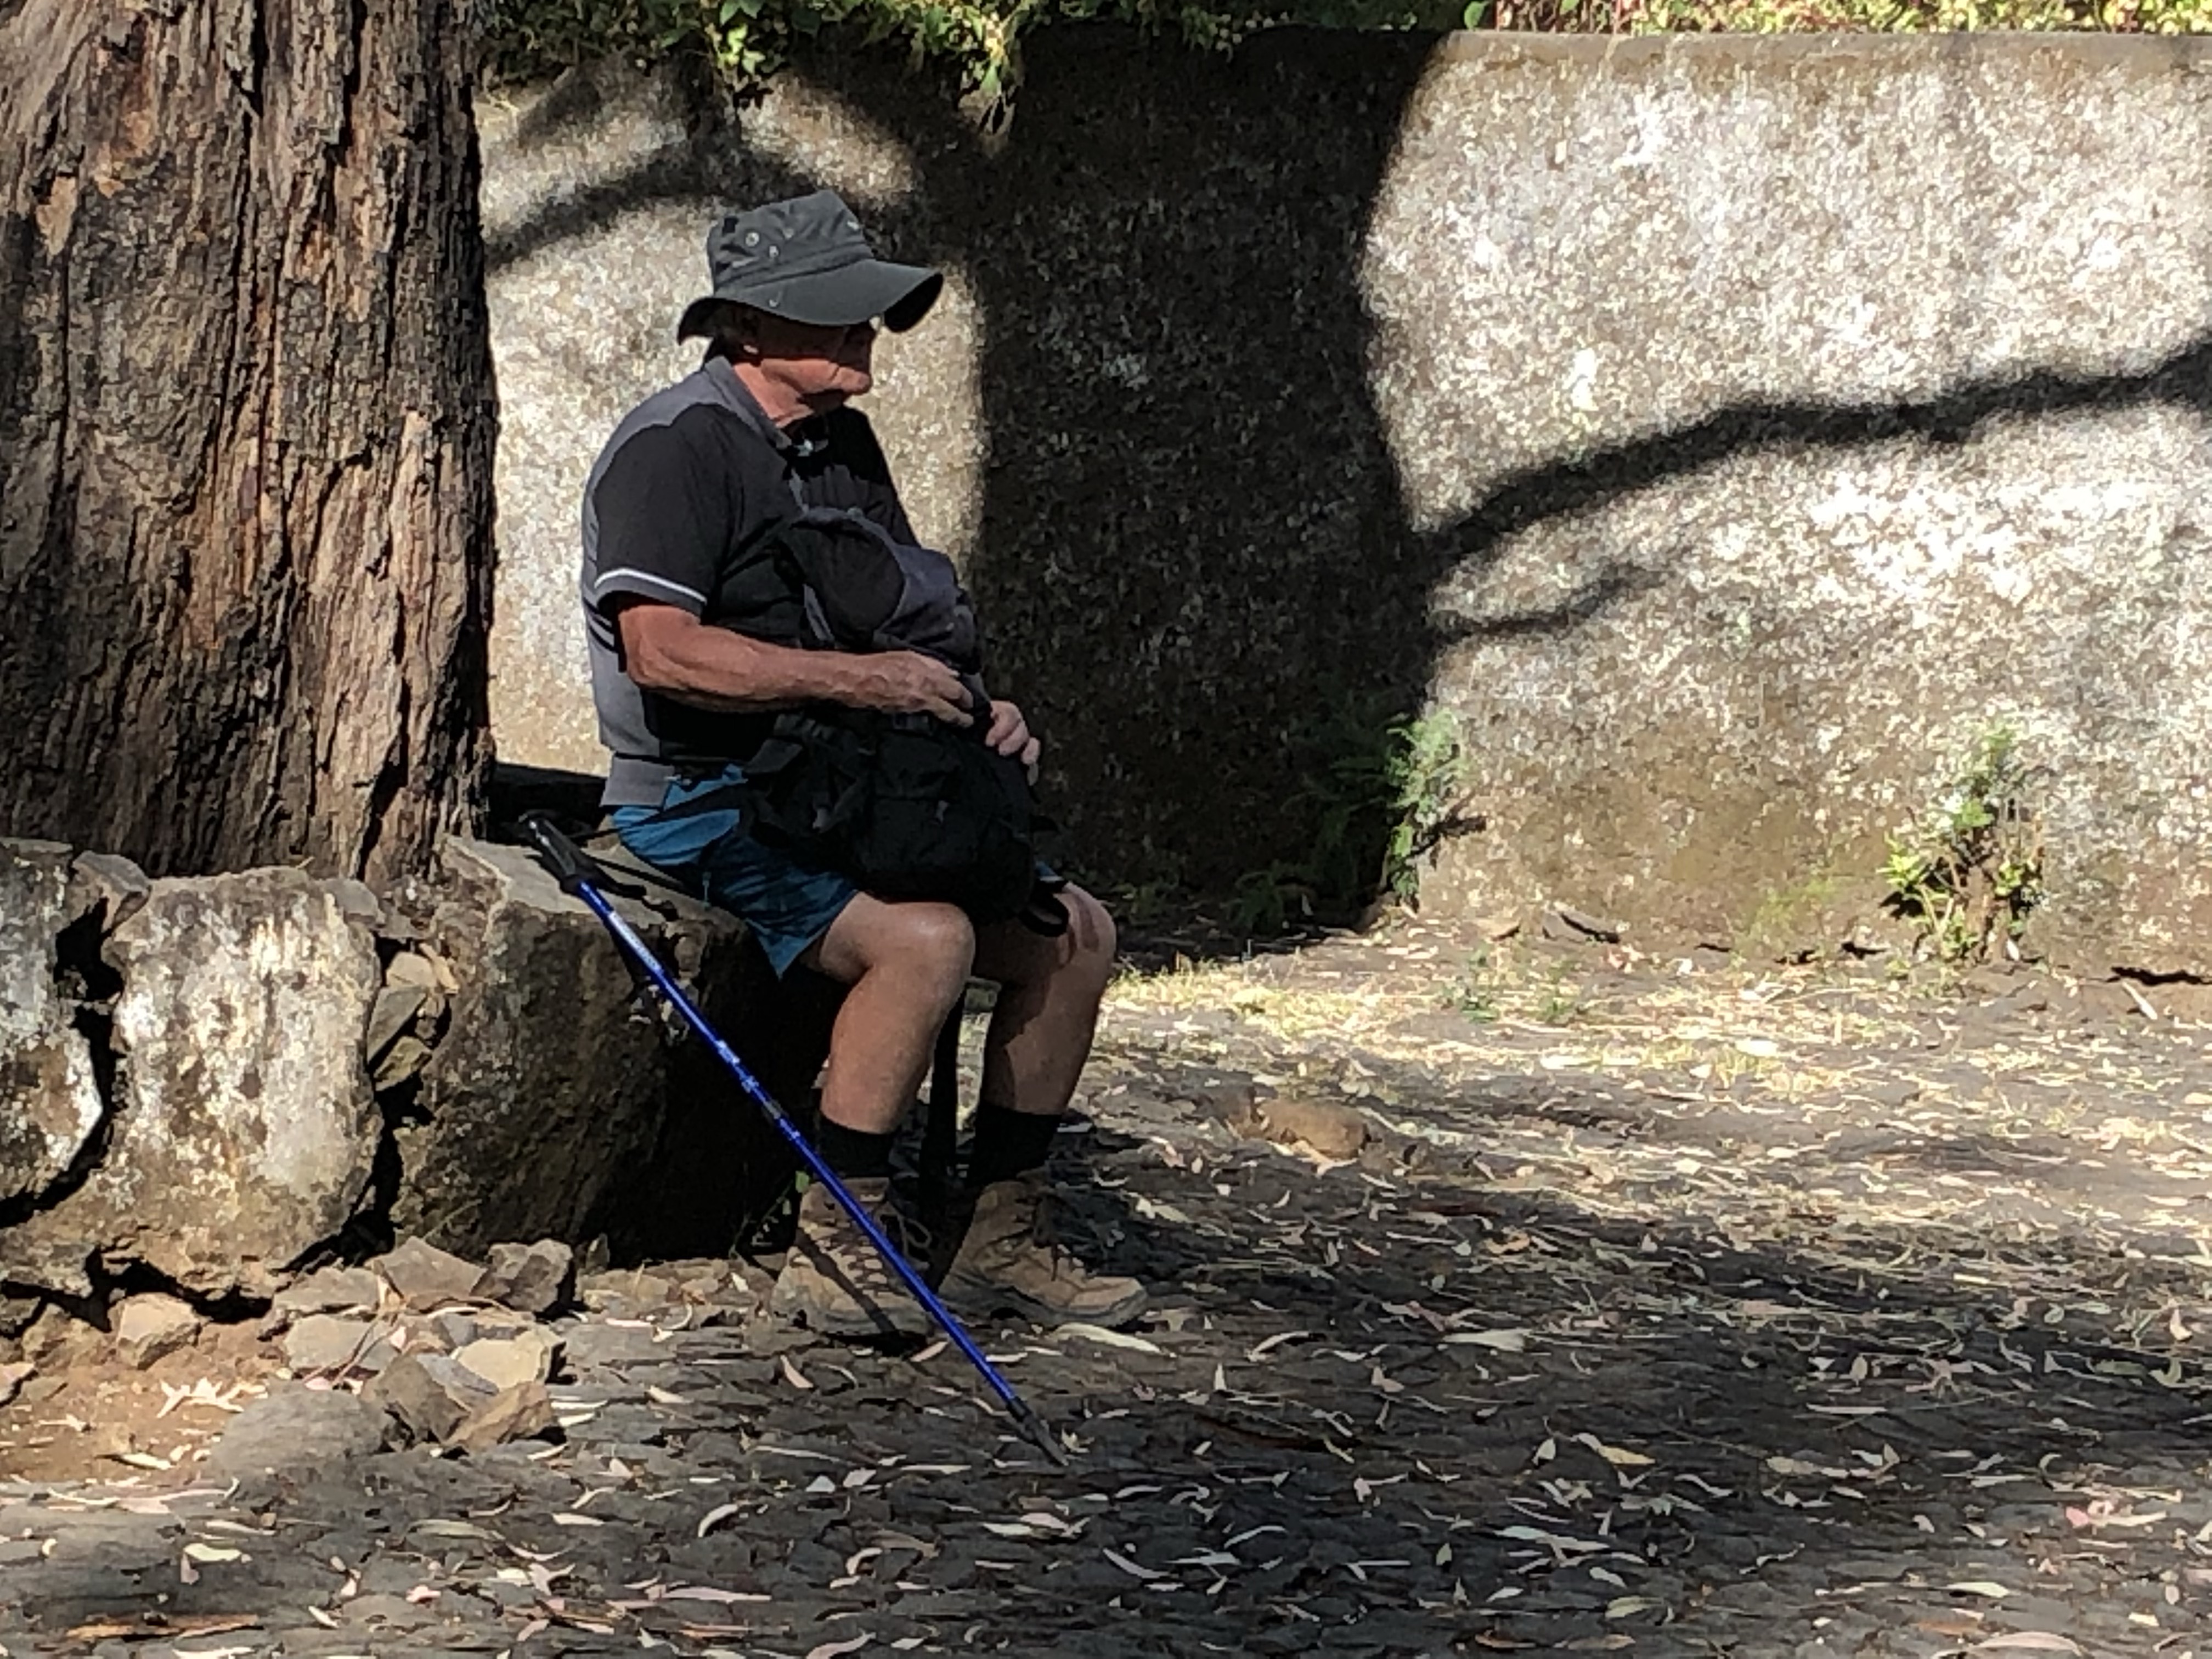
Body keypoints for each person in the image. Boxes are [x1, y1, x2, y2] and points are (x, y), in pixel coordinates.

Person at [578, 190, 1144, 1339]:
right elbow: (662, 653)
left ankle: (1000, 1234)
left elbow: (905, 623)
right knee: (924, 940)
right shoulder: (673, 450)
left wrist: (979, 709)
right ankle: (841, 1243)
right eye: (833, 315)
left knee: (1075, 935)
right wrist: (858, 683)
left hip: (847, 785)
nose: (863, 337)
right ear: (746, 328)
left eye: (866, 314)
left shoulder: (840, 446)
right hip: (699, 799)